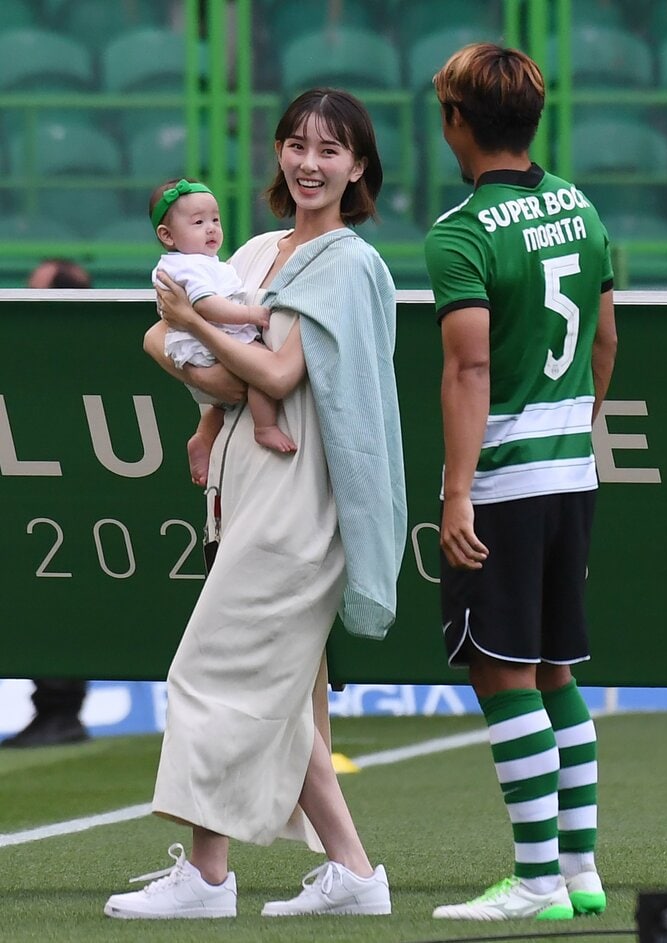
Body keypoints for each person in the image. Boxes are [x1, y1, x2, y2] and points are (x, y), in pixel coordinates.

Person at [104, 87, 406, 920]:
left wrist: (189, 338)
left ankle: (206, 877)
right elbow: (173, 343)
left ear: (358, 167)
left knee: (212, 671)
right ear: (278, 152)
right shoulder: (256, 249)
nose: (309, 163)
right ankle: (353, 873)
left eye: (330, 150)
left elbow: (271, 375)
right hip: (245, 487)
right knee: (276, 692)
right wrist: (199, 360)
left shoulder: (347, 262)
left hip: (301, 496)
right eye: (296, 144)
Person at [423, 44, 617, 922]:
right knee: (553, 669)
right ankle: (578, 873)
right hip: (571, 468)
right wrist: (575, 427)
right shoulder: (577, 205)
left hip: (504, 479)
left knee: (501, 671)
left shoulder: (460, 231)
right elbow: (607, 337)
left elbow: (467, 370)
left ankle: (535, 878)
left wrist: (456, 489)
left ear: (455, 121)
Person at [150, 176, 297, 488]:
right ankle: (265, 426)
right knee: (259, 368)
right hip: (209, 342)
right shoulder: (190, 267)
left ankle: (204, 437)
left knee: (222, 402)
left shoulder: (202, 262)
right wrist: (249, 314)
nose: (211, 228)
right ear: (167, 235)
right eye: (199, 222)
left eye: (215, 219)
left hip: (203, 341)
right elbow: (206, 307)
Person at [1, 258, 93, 749]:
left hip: (71, 499)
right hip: (34, 493)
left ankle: (62, 708)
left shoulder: (74, 357)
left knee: (62, 591)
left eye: (34, 289)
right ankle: (53, 708)